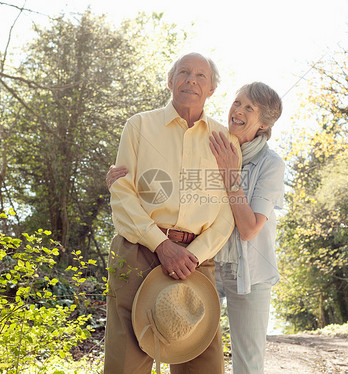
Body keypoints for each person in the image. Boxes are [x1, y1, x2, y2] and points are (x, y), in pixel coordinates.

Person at [107, 82, 285, 374]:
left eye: (249, 108)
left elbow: (249, 229)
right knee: (180, 336)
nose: (237, 110)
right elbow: (178, 187)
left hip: (245, 270)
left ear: (263, 124)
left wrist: (230, 174)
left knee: (247, 361)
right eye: (237, 102)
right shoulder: (212, 140)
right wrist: (122, 182)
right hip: (206, 262)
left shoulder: (269, 163)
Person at [104, 52, 240, 374]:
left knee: (203, 365)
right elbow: (122, 193)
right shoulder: (138, 126)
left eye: (201, 76)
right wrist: (162, 246)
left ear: (211, 89)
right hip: (138, 253)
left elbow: (228, 212)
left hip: (197, 261)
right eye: (184, 72)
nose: (191, 79)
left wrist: (191, 255)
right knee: (127, 365)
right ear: (170, 81)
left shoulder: (227, 141)